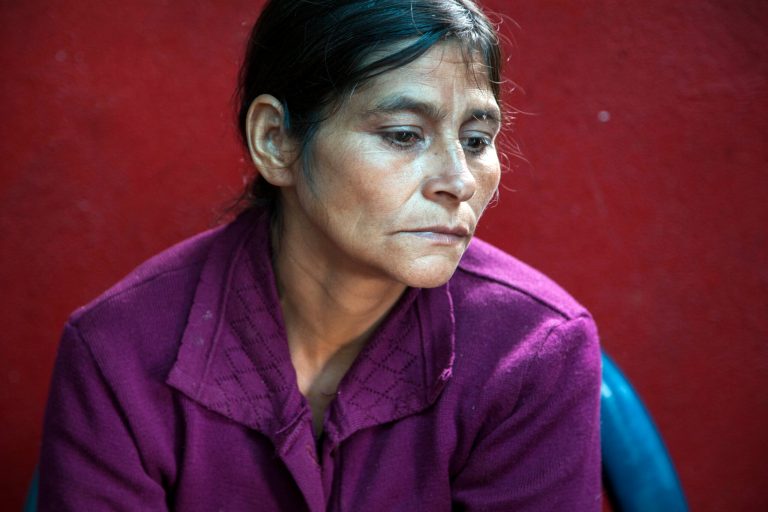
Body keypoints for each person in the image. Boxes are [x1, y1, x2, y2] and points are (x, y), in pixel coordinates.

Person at [38, 0, 601, 510]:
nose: (459, 181)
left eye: (476, 141)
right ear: (275, 140)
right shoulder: (121, 353)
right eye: (404, 134)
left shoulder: (533, 352)